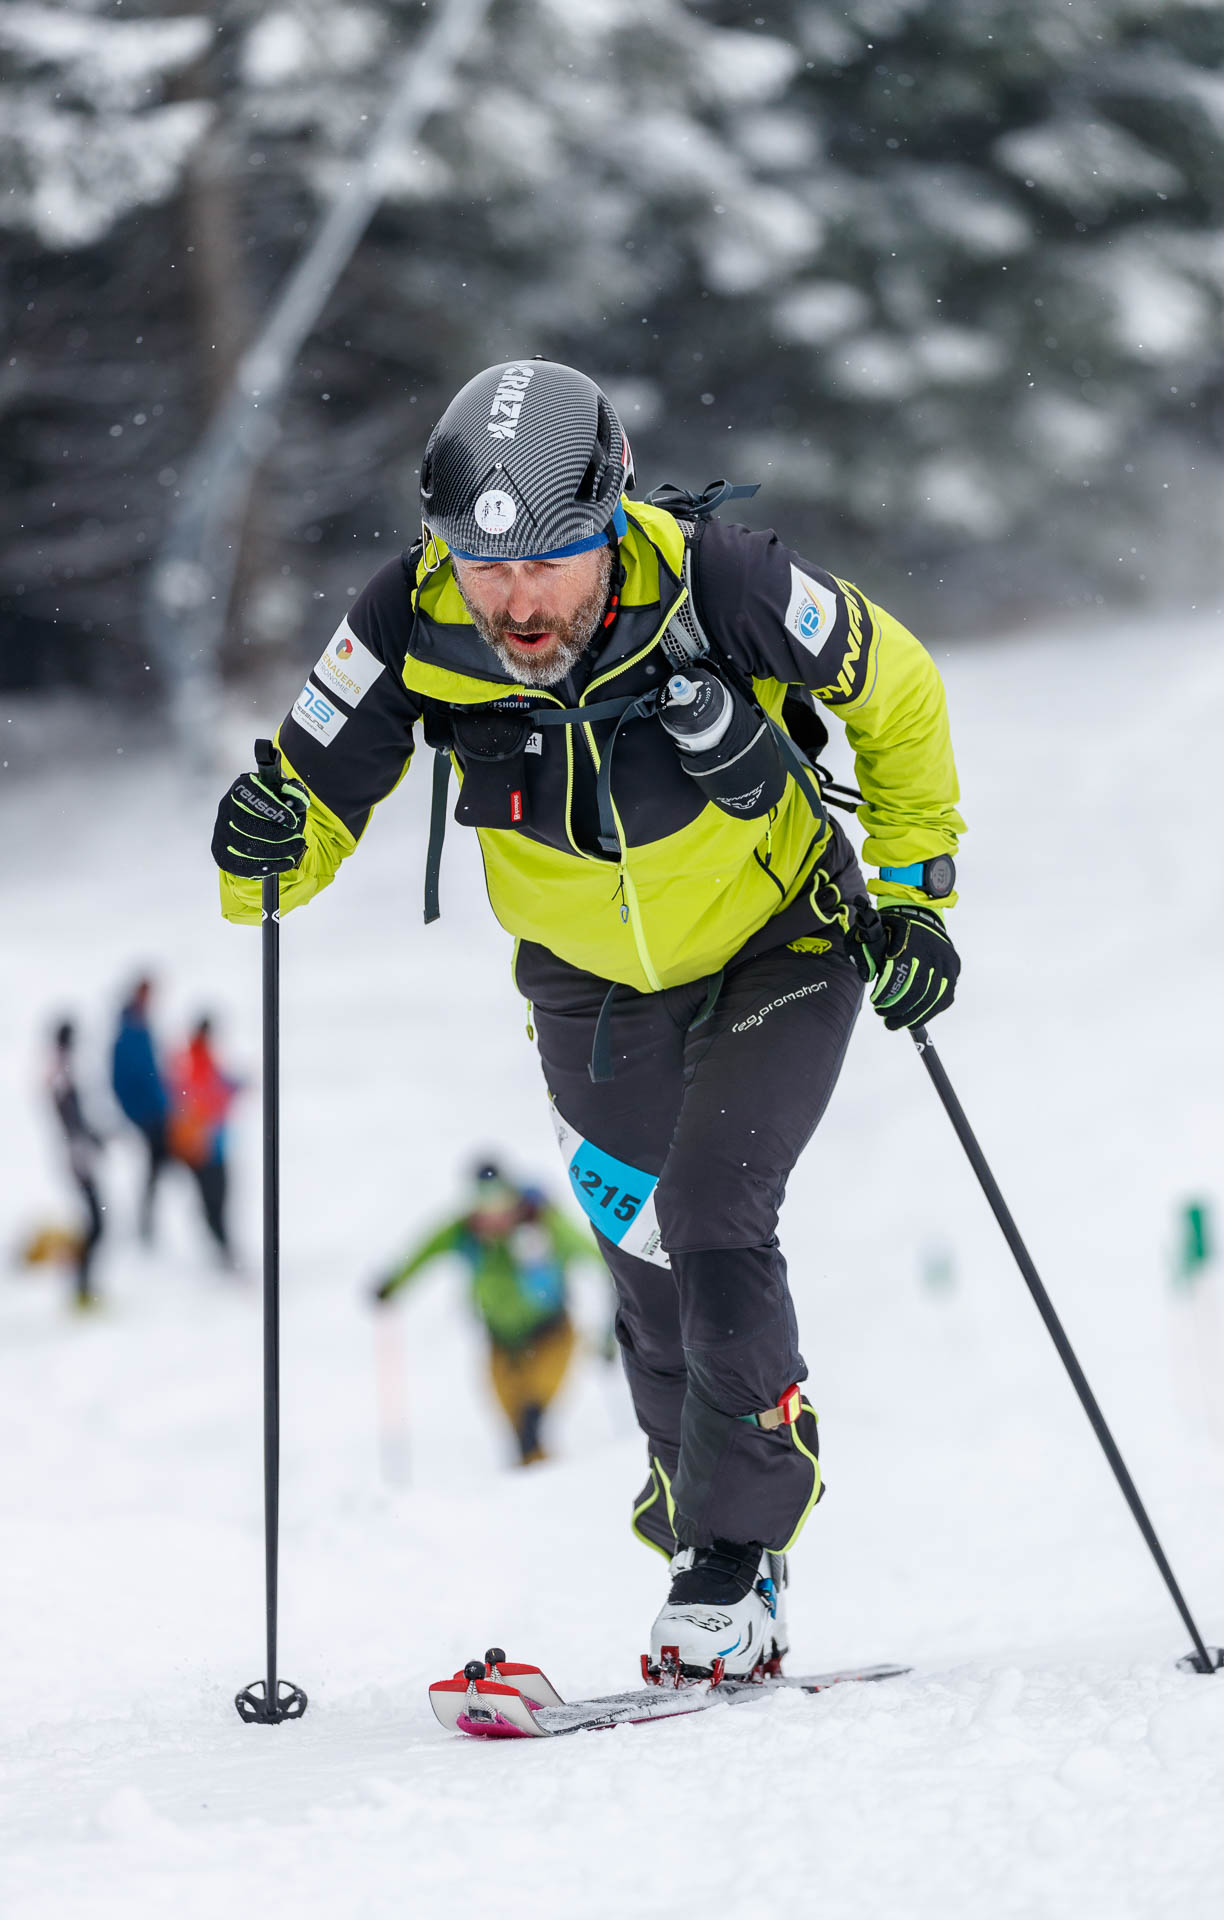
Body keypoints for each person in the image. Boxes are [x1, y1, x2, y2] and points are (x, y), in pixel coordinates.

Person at [211, 358, 964, 1682]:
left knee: (718, 1220)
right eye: (485, 568)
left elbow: (895, 693)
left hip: (780, 937)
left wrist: (912, 893)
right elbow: (304, 807)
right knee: (646, 1273)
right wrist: (260, 846)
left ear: (608, 523)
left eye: (551, 562)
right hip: (586, 985)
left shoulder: (720, 582)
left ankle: (732, 1559)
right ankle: (710, 1522)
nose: (517, 601)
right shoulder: (403, 622)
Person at [371, 1159, 611, 1466]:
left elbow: (597, 1255)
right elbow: (424, 1252)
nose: (493, 1214)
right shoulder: (464, 1233)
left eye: (500, 1202)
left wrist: (622, 1307)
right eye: (484, 1205)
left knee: (531, 1416)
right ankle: (533, 1482)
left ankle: (545, 1479)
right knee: (514, 1424)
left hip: (552, 1336)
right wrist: (393, 1285)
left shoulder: (545, 1224)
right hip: (500, 1343)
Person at [166, 1016, 241, 1268]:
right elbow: (201, 1100)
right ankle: (223, 1251)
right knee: (215, 1201)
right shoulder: (195, 1063)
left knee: (215, 1202)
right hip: (205, 1147)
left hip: (206, 1145)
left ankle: (223, 1249)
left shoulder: (198, 1059)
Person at [47, 1019, 105, 1309]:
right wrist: (89, 1139)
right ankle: (81, 1289)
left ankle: (83, 1287)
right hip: (79, 1157)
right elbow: (70, 1119)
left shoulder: (61, 1069)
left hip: (79, 1155)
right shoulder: (61, 1072)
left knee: (94, 1223)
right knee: (96, 1224)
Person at [110, 976, 170, 1243]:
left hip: (158, 1110)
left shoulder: (142, 1027)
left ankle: (148, 1225)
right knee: (157, 1167)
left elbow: (154, 1073)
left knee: (159, 1167)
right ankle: (146, 1227)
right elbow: (125, 1079)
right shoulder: (128, 1032)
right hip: (148, 1114)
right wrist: (139, 1112)